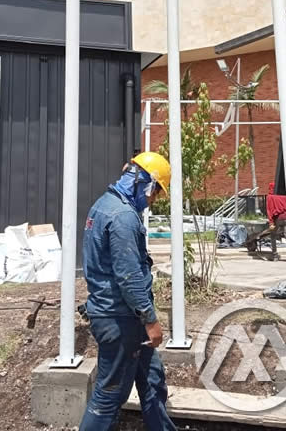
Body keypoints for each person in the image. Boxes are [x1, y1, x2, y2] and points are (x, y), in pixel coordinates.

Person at [79, 152, 177, 431]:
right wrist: (151, 320)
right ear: (145, 184)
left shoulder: (104, 205)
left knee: (152, 379)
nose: (152, 200)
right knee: (110, 394)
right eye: (154, 193)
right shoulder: (123, 217)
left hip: (122, 316)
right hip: (120, 319)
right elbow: (129, 277)